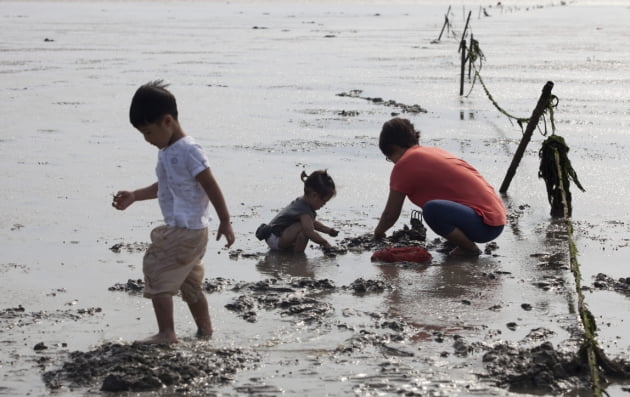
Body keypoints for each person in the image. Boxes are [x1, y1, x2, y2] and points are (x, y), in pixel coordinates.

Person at [112, 80, 235, 344]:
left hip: (185, 230)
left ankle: (167, 333)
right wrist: (135, 196)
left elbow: (211, 184)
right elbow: (164, 186)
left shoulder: (188, 151)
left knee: (156, 268)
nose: (146, 140)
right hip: (191, 231)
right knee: (190, 283)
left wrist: (225, 220)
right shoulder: (169, 151)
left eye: (147, 132)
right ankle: (206, 331)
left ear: (167, 121)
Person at [374, 117, 505, 257]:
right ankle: (457, 242)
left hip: (484, 225)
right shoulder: (432, 152)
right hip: (495, 218)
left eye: (389, 157)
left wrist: (378, 233)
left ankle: (469, 249)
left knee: (432, 209)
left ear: (393, 147)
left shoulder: (404, 164)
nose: (392, 162)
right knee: (436, 205)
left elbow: (390, 214)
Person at [256, 170, 338, 253]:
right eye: (323, 201)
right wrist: (325, 243)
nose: (323, 205)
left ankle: (294, 253)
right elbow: (310, 232)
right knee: (305, 230)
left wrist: (328, 230)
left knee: (304, 229)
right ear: (314, 195)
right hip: (276, 238)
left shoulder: (302, 203)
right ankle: (298, 256)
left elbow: (313, 223)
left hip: (275, 236)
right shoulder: (304, 211)